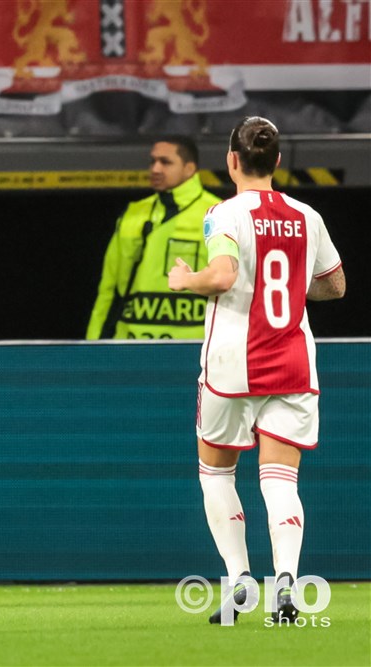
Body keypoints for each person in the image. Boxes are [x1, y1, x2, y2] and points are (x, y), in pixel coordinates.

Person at [167, 116, 345, 625]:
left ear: (231, 161)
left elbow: (222, 276)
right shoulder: (307, 216)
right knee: (280, 480)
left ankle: (240, 578)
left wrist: (185, 280)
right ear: (278, 162)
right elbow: (335, 287)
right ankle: (285, 581)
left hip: (232, 364)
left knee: (216, 473)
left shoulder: (223, 214)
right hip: (291, 361)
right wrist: (290, 286)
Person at [87, 137, 221, 340]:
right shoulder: (133, 214)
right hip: (132, 344)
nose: (156, 169)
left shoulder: (218, 213)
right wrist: (93, 346)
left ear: (189, 168)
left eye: (165, 162)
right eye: (153, 161)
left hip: (195, 348)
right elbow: (108, 289)